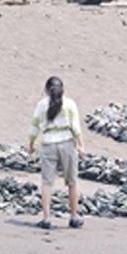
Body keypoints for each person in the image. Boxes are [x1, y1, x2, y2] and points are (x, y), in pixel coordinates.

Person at [26, 75, 85, 229]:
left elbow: (34, 127)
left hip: (48, 145)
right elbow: (76, 127)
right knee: (72, 182)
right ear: (63, 89)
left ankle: (46, 218)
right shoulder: (70, 104)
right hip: (67, 144)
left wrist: (31, 144)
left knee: (47, 182)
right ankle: (74, 216)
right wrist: (81, 146)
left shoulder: (41, 105)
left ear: (46, 90)